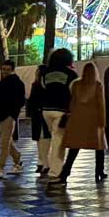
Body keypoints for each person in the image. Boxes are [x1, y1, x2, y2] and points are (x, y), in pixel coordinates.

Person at [59, 63, 108, 184]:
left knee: (74, 148)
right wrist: (102, 121)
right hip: (94, 119)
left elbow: (72, 102)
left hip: (77, 119)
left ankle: (65, 173)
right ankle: (99, 171)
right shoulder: (97, 85)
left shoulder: (76, 84)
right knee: (99, 147)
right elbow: (100, 104)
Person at [40, 48, 77, 187]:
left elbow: (43, 88)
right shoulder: (71, 74)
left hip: (46, 111)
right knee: (58, 142)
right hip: (61, 111)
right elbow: (74, 91)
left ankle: (52, 168)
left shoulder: (45, 73)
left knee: (54, 138)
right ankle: (55, 174)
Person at [26, 65, 51, 176]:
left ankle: (43, 163)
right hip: (40, 115)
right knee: (43, 139)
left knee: (42, 140)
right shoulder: (42, 85)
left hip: (38, 115)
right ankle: (43, 162)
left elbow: (31, 100)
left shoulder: (37, 85)